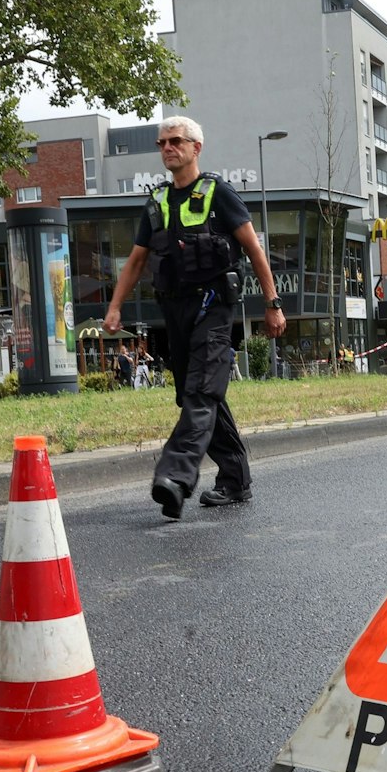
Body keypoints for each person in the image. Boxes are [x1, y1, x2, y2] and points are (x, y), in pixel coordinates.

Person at [102, 115, 286, 519]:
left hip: (213, 307)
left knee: (202, 393)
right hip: (174, 311)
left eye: (176, 141)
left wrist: (272, 304)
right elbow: (136, 261)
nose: (168, 148)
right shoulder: (158, 201)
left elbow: (255, 250)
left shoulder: (218, 192)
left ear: (195, 148)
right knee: (196, 395)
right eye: (162, 143)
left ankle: (175, 477)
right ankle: (235, 480)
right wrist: (115, 307)